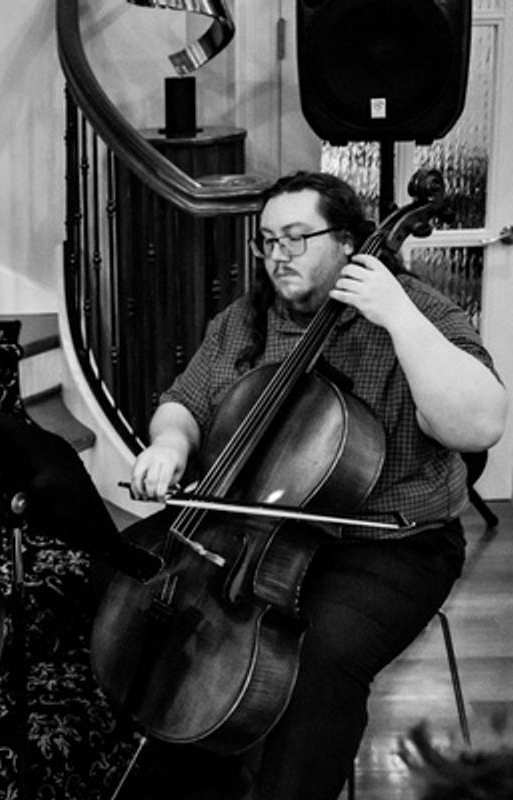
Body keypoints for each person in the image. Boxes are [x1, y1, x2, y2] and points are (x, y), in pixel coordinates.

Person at [122, 171, 506, 799]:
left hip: (386, 547)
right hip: (252, 530)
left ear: (350, 243)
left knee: (317, 660)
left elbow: (479, 423)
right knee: (142, 591)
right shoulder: (246, 321)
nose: (278, 255)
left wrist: (399, 318)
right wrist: (169, 442)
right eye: (268, 240)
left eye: (298, 238)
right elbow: (185, 401)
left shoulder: (418, 309)